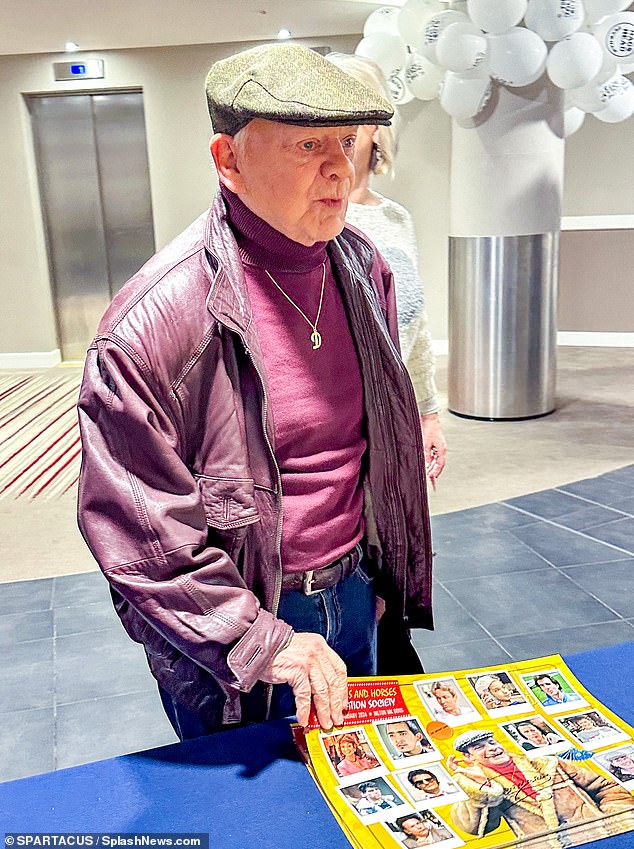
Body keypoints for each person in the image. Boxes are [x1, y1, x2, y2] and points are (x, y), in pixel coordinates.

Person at [76, 42, 433, 739]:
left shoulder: (364, 268)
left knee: (364, 797)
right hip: (240, 629)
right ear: (228, 160)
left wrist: (375, 579)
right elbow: (141, 536)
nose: (340, 165)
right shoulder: (152, 324)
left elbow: (373, 449)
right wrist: (264, 641)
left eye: (348, 140)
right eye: (307, 144)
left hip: (356, 593)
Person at [326, 50, 443, 677]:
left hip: (396, 425)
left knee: (395, 556)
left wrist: (427, 413)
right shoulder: (310, 219)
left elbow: (416, 330)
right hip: (343, 425)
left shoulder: (395, 219)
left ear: (377, 129)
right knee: (355, 565)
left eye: (352, 122)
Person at [447, 730, 634, 845]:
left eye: (492, 742)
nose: (492, 748)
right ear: (469, 758)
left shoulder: (549, 763)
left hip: (605, 836)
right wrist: (482, 788)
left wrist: (618, 818)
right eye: (479, 748)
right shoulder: (476, 785)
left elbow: (606, 788)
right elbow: (473, 827)